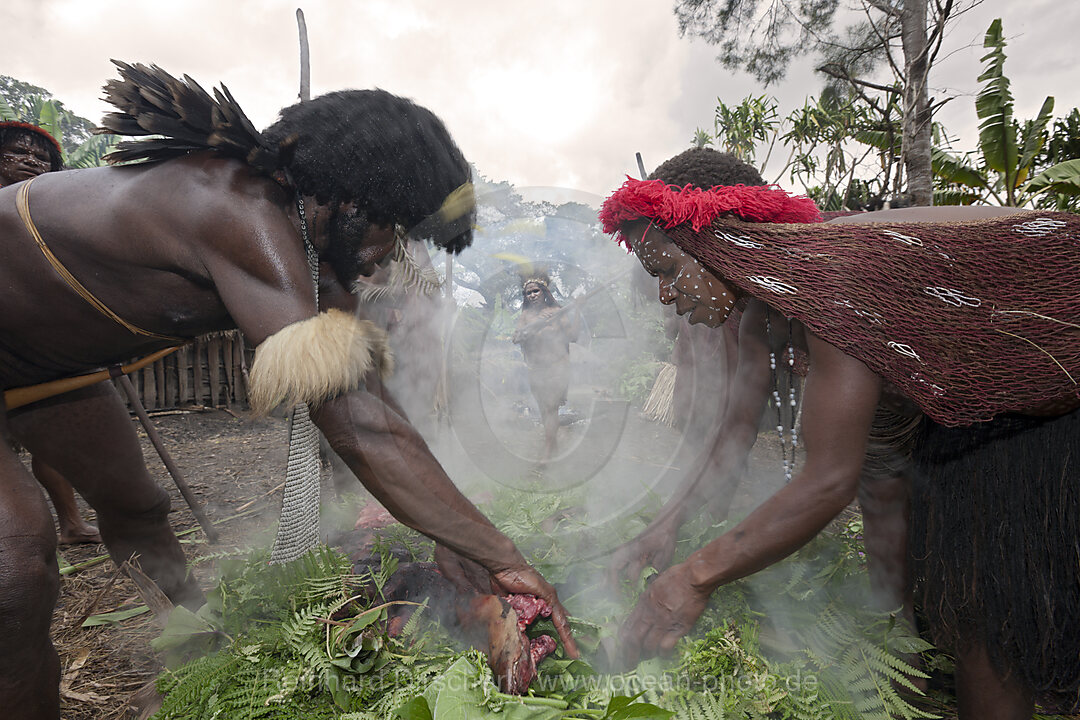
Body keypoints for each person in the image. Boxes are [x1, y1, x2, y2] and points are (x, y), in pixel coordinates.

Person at [0, 62, 576, 720]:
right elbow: (360, 428)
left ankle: (195, 642)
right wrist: (504, 555)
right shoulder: (236, 209)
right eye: (394, 234)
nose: (389, 261)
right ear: (353, 201)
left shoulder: (314, 256)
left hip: (46, 364)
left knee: (137, 507)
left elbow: (382, 409)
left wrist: (457, 535)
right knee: (15, 569)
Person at [600, 167, 1079, 718]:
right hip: (974, 407)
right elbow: (733, 433)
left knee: (984, 608)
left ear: (719, 245)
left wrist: (693, 577)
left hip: (1034, 392)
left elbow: (828, 480)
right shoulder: (763, 310)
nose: (665, 295)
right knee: (944, 570)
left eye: (666, 269)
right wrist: (664, 527)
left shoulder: (829, 278)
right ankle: (910, 681)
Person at [0, 121, 101, 545]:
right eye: (20, 153)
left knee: (51, 440)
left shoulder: (50, 213)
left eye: (41, 157)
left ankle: (72, 523)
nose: (32, 162)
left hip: (40, 342)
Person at [511, 273, 582, 460]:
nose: (532, 295)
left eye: (536, 291)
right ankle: (553, 444)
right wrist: (537, 323)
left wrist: (578, 310)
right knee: (544, 409)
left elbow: (573, 336)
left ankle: (548, 449)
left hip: (557, 368)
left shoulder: (558, 311)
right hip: (536, 370)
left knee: (551, 408)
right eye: (528, 293)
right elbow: (516, 338)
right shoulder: (525, 316)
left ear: (544, 292)